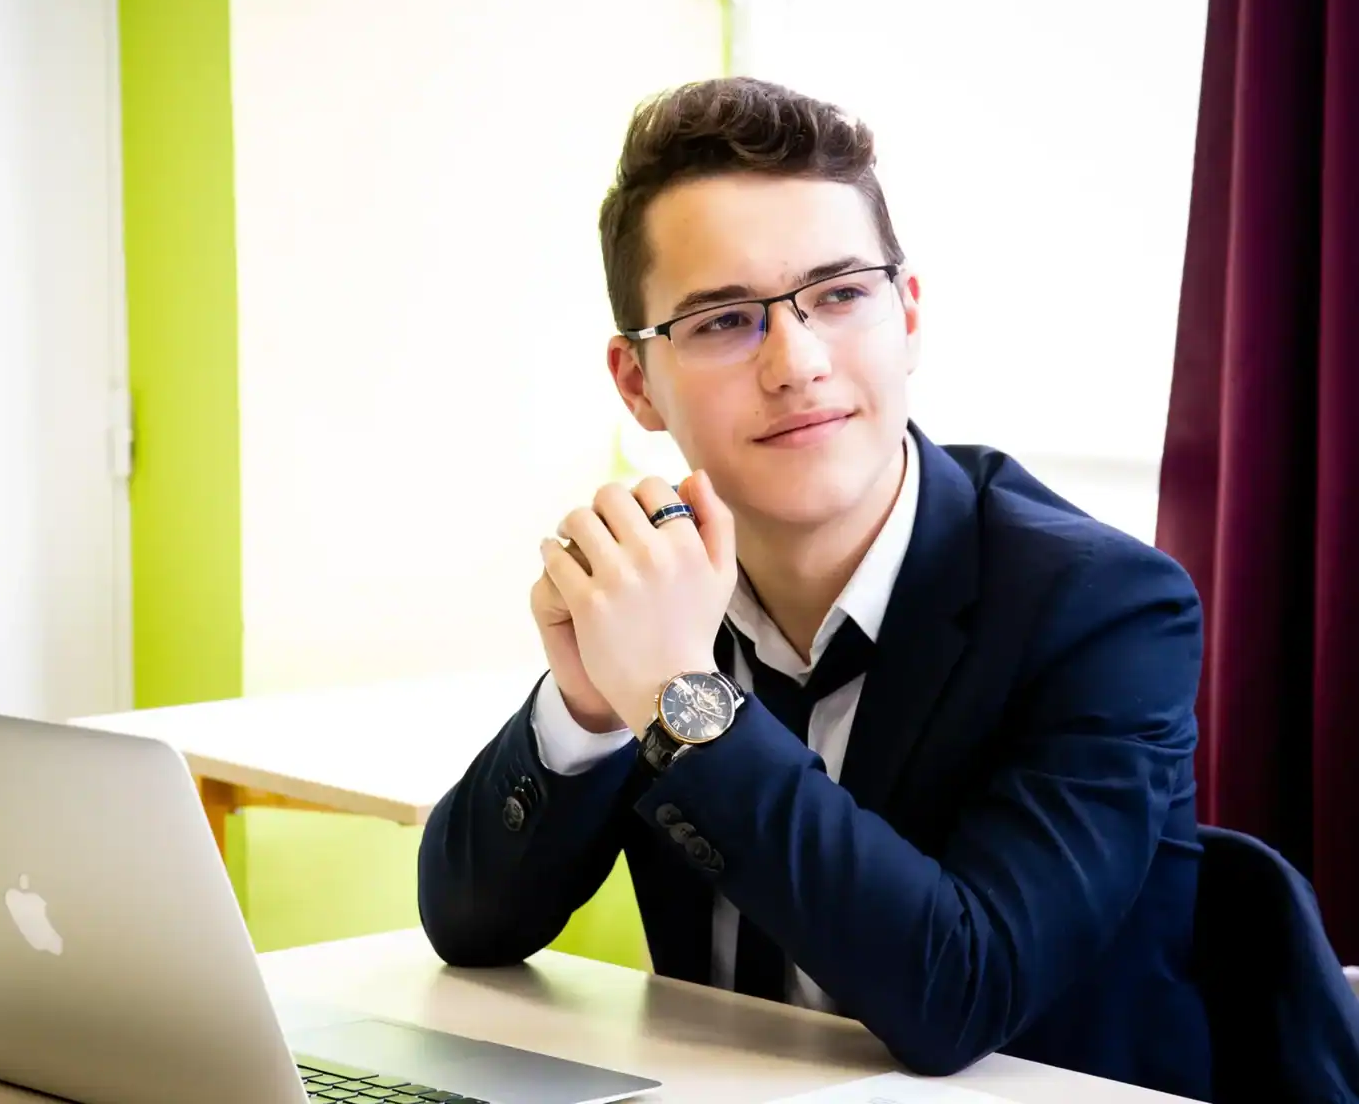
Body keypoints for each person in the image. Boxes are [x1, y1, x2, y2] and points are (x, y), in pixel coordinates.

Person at [416, 77, 1212, 1099]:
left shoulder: (1105, 609)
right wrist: (586, 707)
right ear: (635, 383)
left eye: (840, 296)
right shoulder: (670, 584)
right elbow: (471, 926)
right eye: (724, 320)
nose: (798, 363)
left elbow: (958, 995)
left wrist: (676, 699)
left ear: (908, 314)